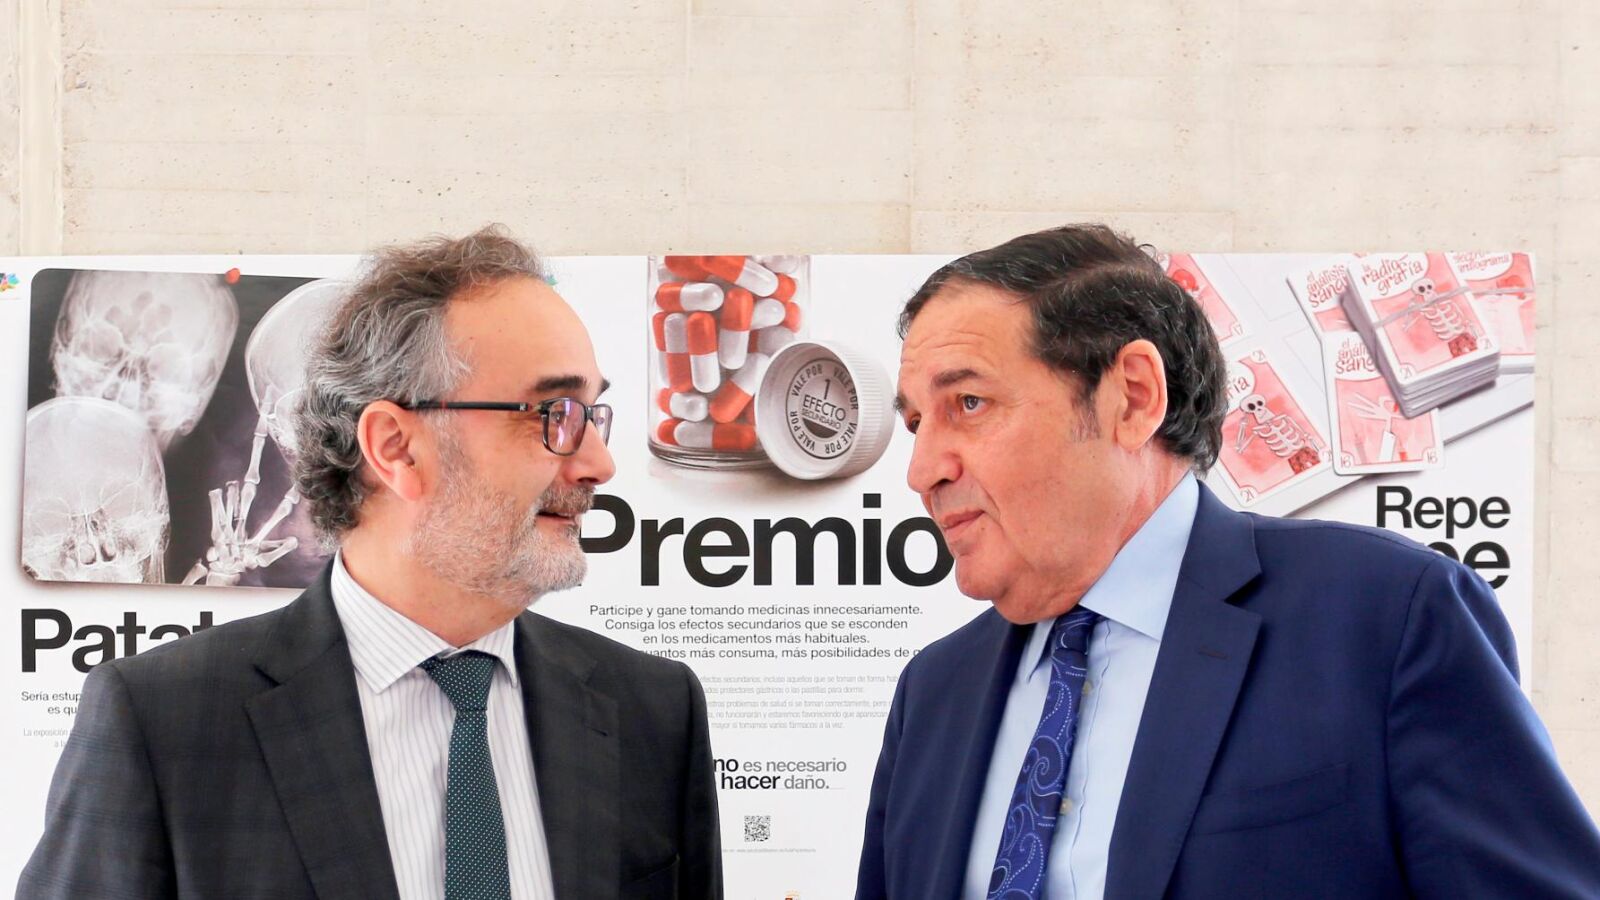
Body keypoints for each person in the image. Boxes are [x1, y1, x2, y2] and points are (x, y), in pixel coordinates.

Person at [855, 224, 1600, 899]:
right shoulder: (932, 693)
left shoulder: (1387, 617)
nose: (922, 471)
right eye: (917, 423)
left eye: (969, 404)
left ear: (1133, 397)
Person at [19, 227, 722, 900]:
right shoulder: (164, 726)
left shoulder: (653, 712)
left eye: (593, 415)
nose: (600, 463)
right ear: (396, 447)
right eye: (552, 414)